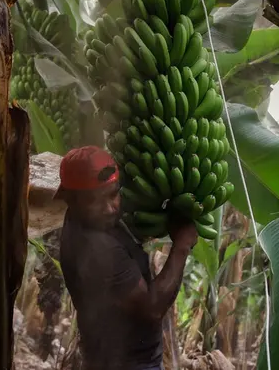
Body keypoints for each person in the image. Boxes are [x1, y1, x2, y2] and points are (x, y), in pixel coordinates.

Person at [57, 146, 197, 370]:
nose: (110, 208)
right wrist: (182, 245)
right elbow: (152, 309)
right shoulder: (97, 248)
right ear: (71, 199)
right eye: (95, 200)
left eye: (114, 194)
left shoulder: (85, 220)